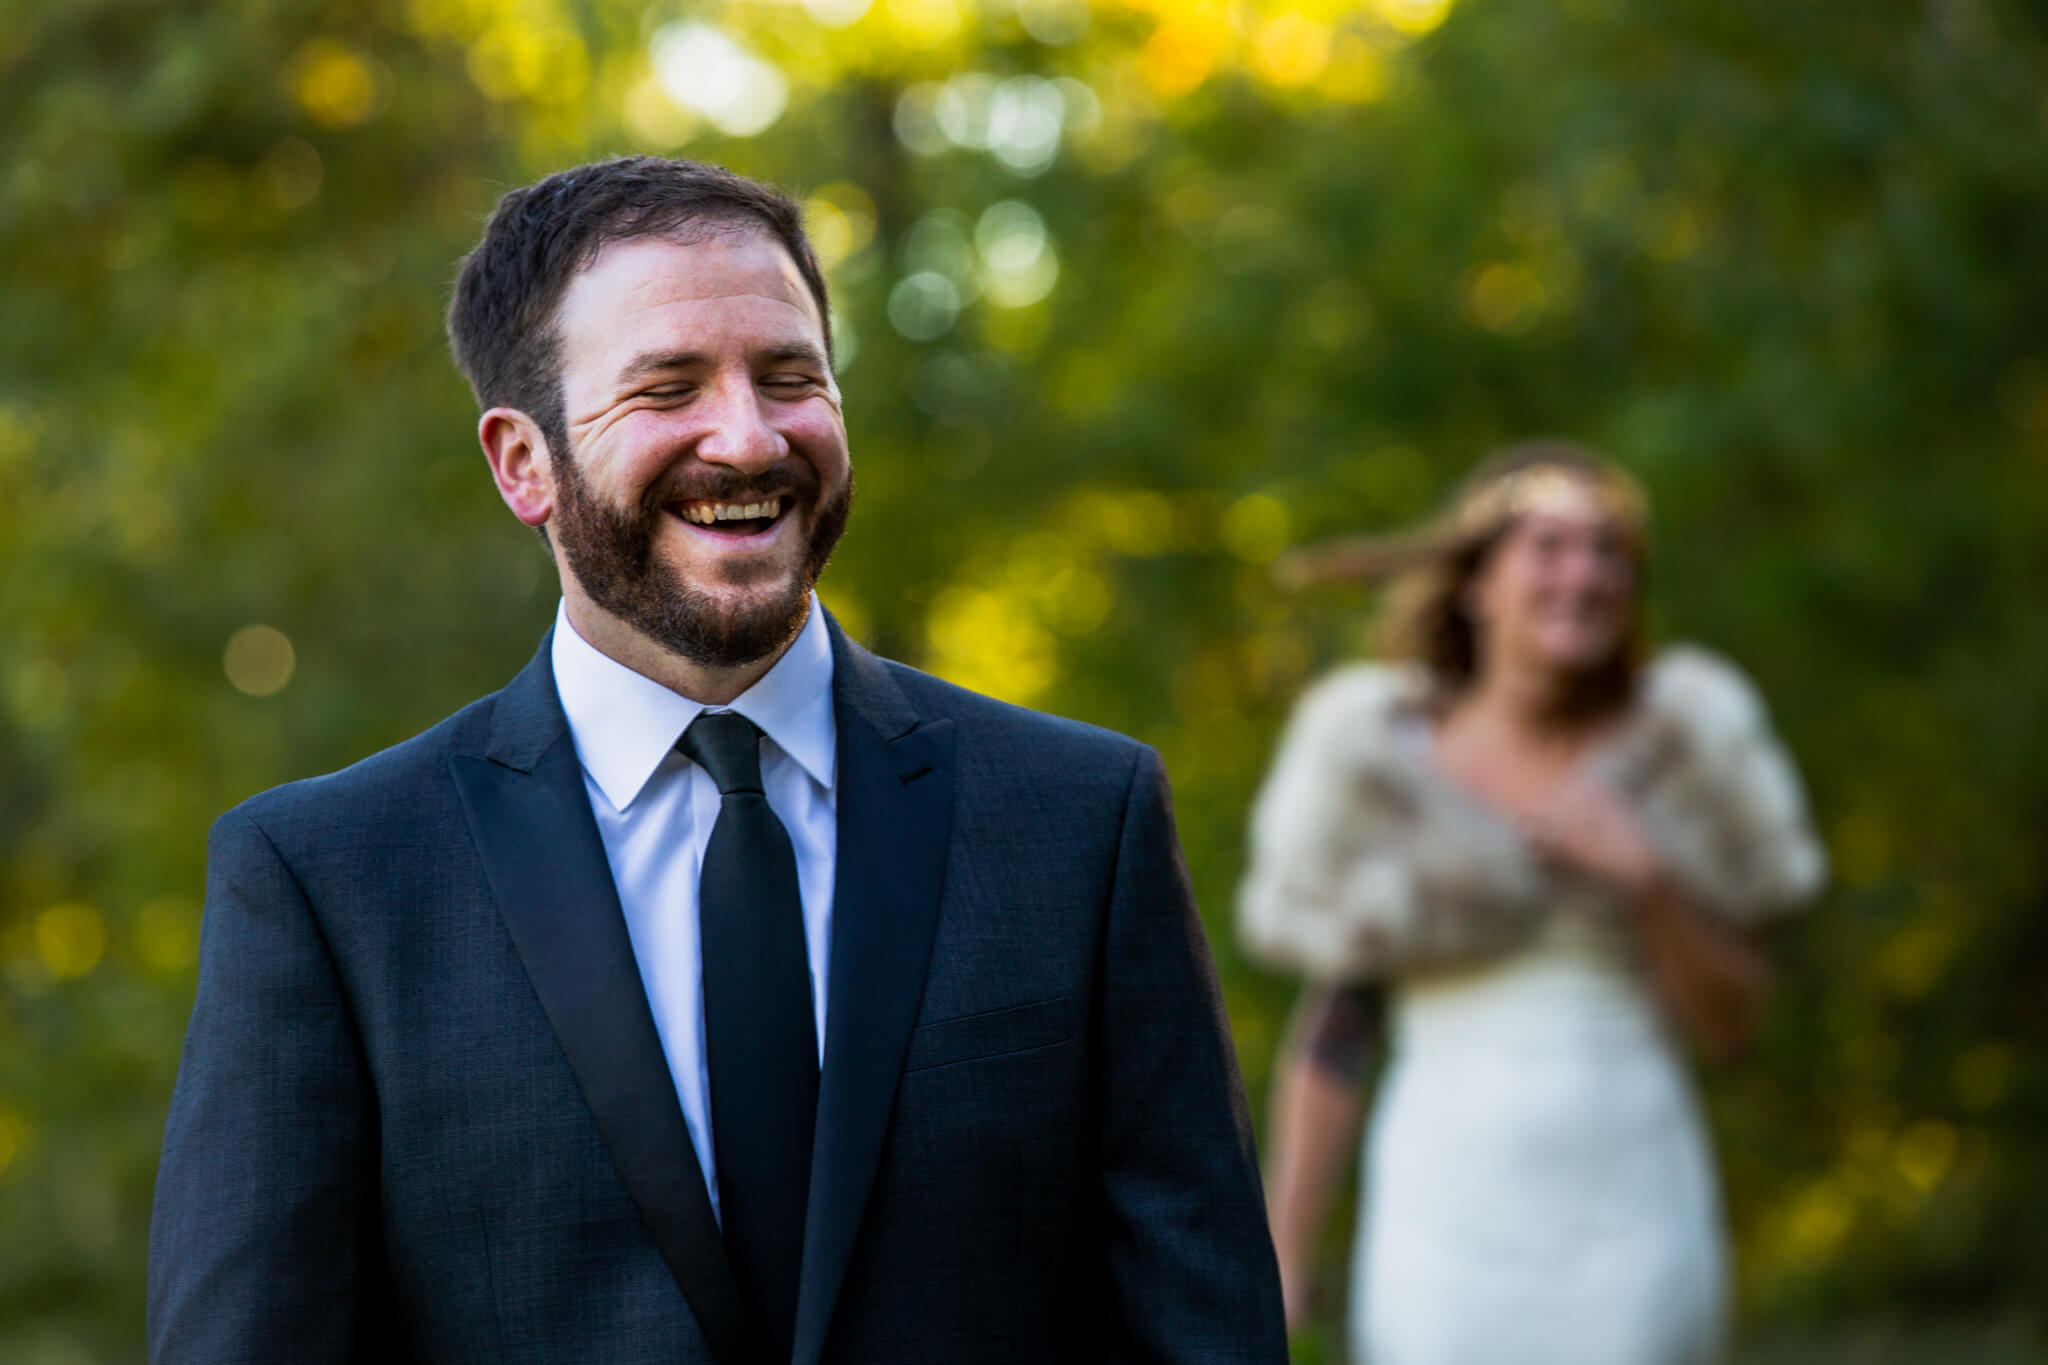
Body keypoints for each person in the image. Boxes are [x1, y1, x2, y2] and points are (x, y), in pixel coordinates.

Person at [148, 156, 1286, 1365]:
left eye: (790, 377)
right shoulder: (329, 880)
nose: (747, 440)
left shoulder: (1079, 821)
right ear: (521, 463)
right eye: (667, 388)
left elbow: (1201, 1327)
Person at [1238, 442, 1827, 1365]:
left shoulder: (1688, 745)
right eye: (1550, 547)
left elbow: (1731, 1024)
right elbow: (1338, 1028)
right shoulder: (1376, 755)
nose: (1585, 574)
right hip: (1443, 1216)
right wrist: (1281, 1251)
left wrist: (1647, 878)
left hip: (1637, 1207)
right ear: (1477, 581)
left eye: (1609, 551)